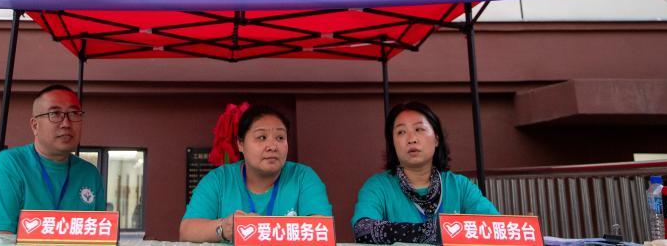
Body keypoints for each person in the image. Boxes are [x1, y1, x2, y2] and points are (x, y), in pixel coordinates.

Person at [180, 105, 332, 242]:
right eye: (261, 137)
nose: (272, 146)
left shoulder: (303, 177)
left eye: (280, 138)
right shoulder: (218, 180)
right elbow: (187, 231)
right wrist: (224, 229)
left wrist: (263, 229)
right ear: (240, 144)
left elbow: (322, 230)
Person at [352, 101, 498, 244]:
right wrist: (431, 232)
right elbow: (363, 229)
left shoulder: (459, 186)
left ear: (436, 139)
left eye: (419, 129)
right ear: (393, 144)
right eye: (401, 132)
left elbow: (495, 227)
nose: (411, 139)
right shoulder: (378, 186)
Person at [0, 84, 104, 233]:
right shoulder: (9, 165)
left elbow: (99, 235)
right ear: (35, 126)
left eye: (74, 113)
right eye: (55, 114)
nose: (66, 124)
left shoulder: (89, 174)